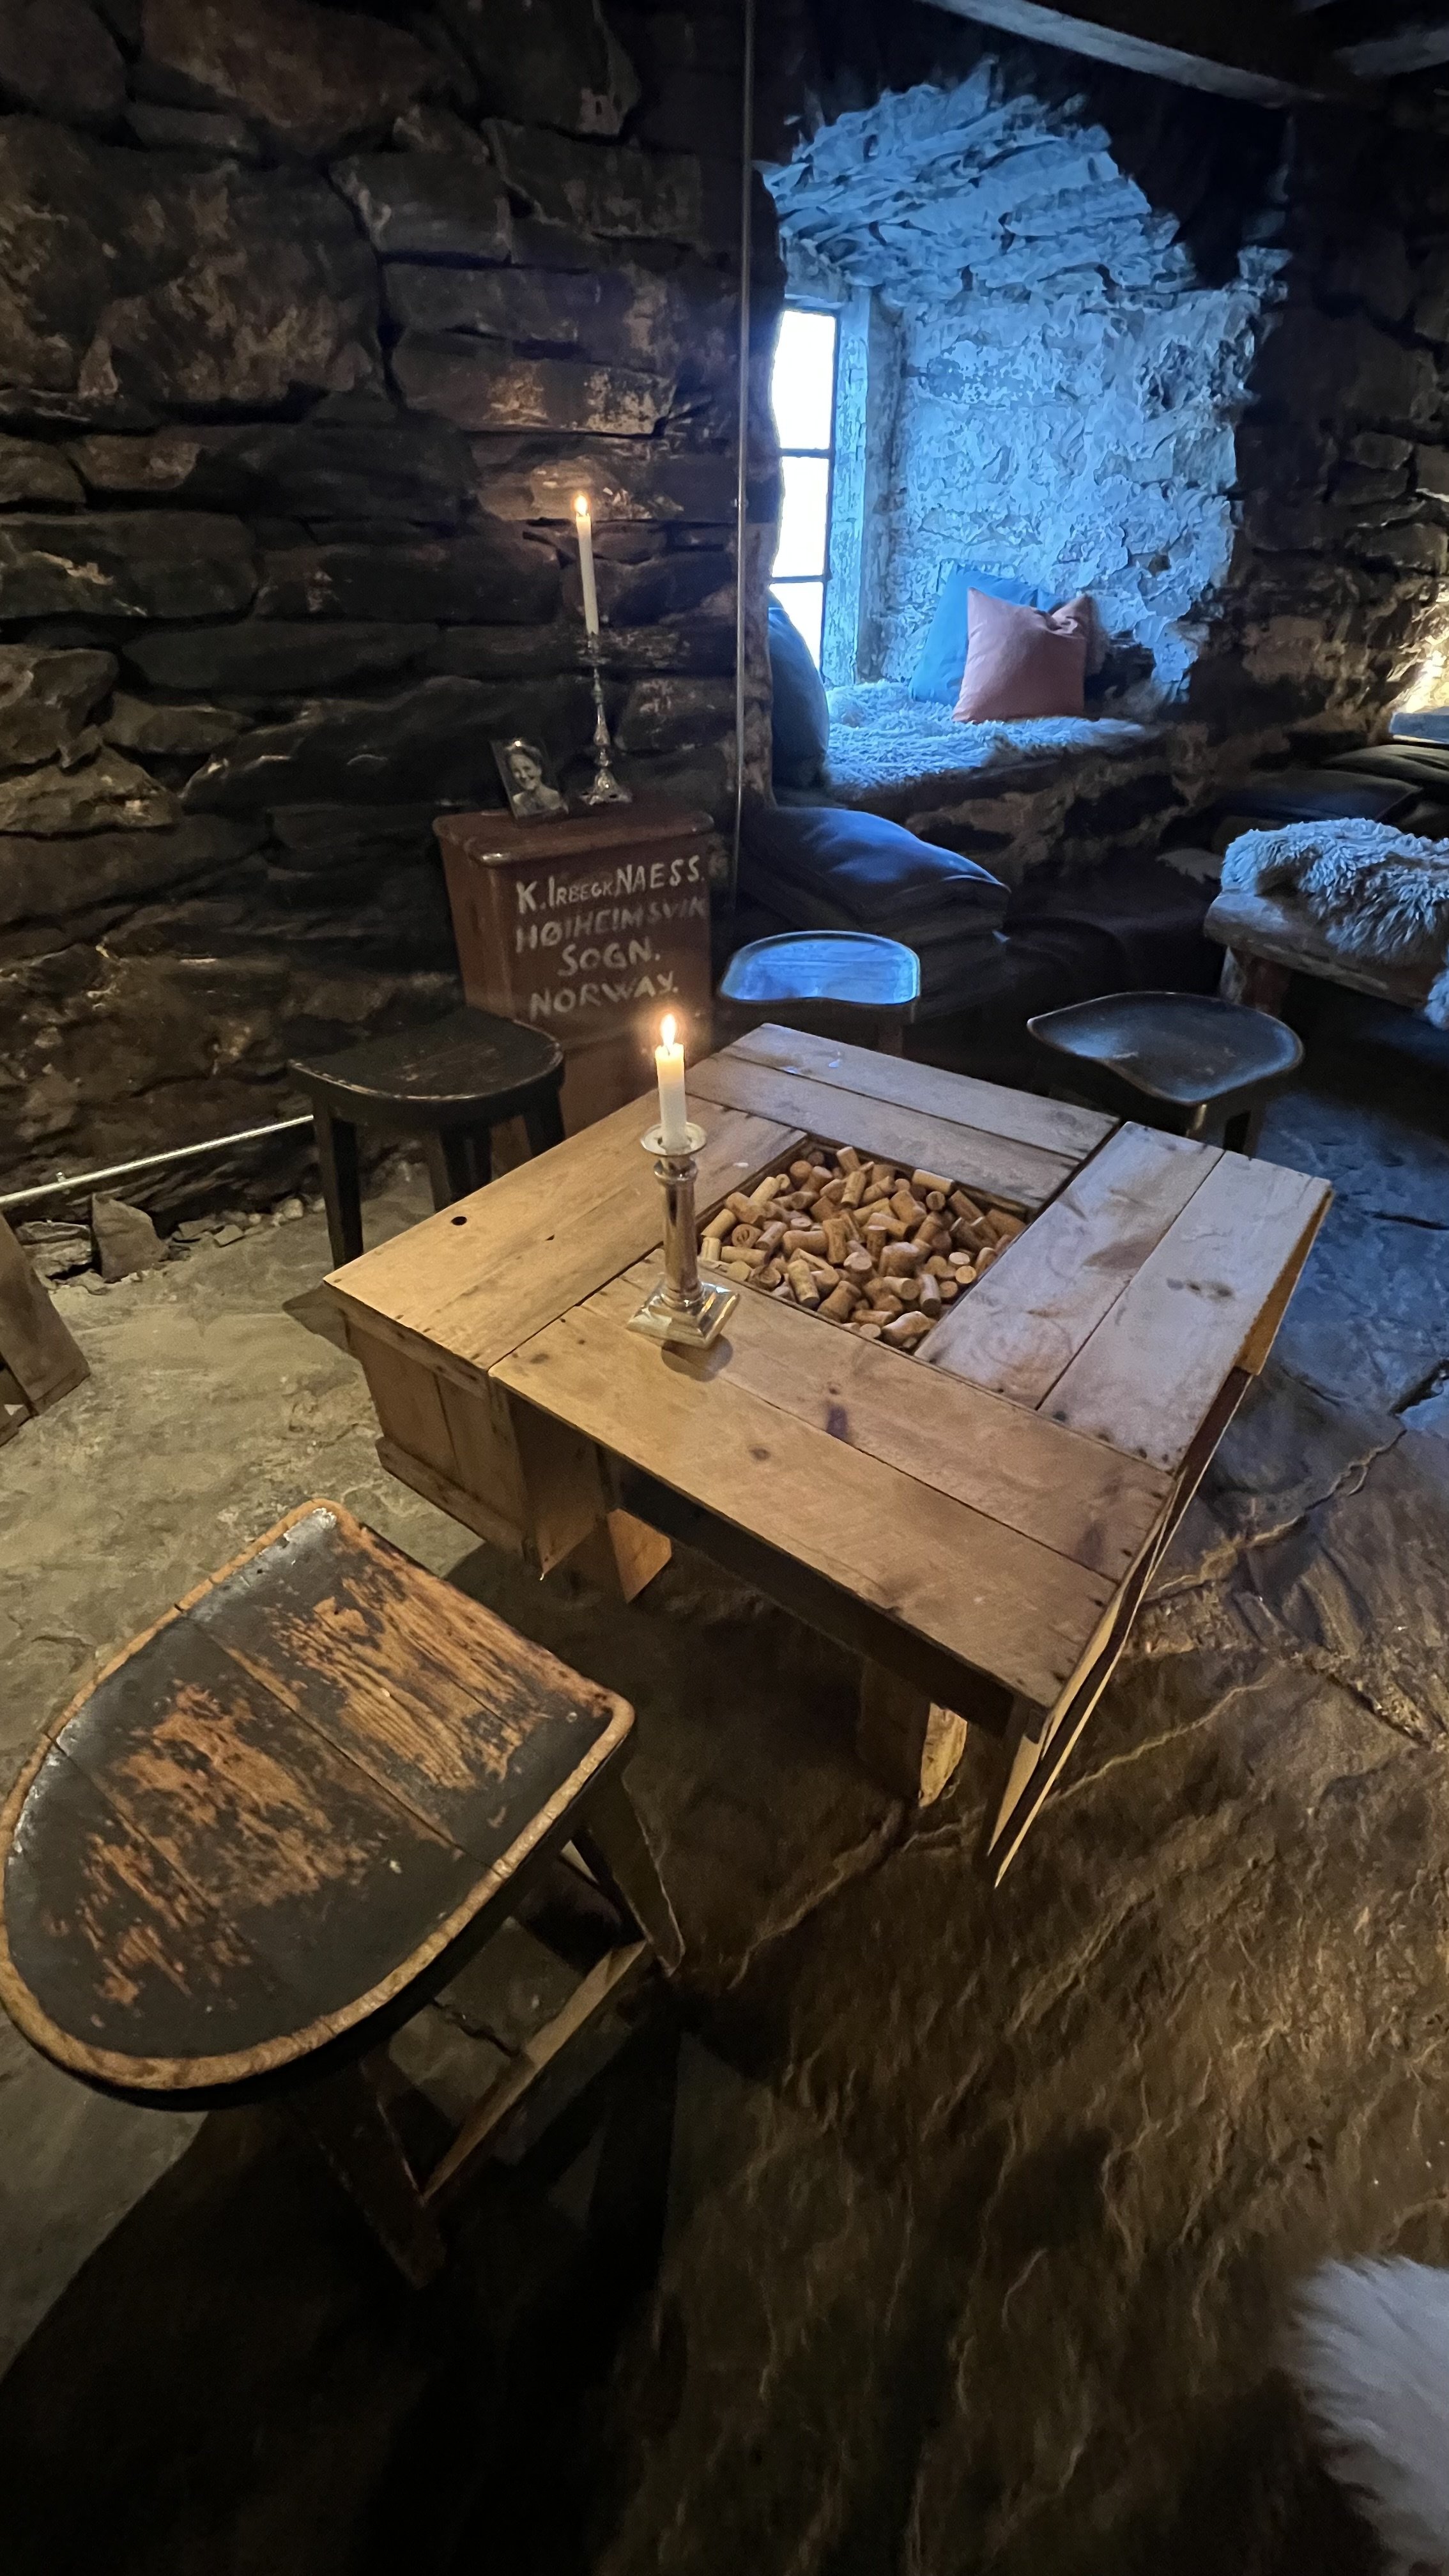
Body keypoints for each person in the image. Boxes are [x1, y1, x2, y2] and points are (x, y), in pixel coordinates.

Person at [504, 742, 565, 818]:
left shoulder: (560, 798)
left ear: (539, 769)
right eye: (516, 771)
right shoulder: (515, 803)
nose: (523, 776)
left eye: (527, 769)